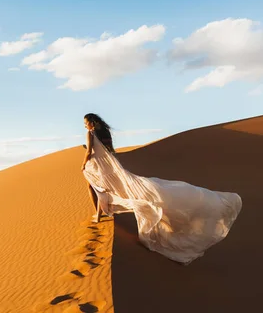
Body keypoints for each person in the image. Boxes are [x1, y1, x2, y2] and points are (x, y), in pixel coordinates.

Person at [80, 113, 242, 264]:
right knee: (111, 188)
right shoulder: (106, 134)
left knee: (95, 187)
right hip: (112, 167)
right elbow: (110, 151)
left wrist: (83, 164)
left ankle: (98, 215)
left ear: (92, 123)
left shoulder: (91, 134)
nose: (85, 126)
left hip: (97, 166)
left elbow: (89, 152)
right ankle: (101, 212)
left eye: (86, 123)